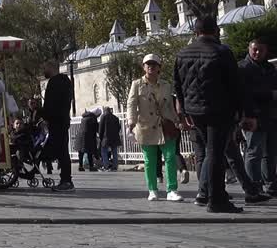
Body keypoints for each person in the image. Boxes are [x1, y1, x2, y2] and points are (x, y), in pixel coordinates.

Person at [174, 14, 249, 213]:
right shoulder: (222, 51)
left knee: (209, 151)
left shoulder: (182, 53)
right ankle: (216, 199)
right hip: (218, 109)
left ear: (196, 32)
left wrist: (183, 108)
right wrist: (241, 112)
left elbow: (178, 84)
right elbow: (235, 85)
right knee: (216, 153)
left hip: (194, 110)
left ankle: (212, 193)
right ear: (216, 31)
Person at [127, 53, 183, 202]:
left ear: (159, 67)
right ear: (144, 67)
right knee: (149, 160)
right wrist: (131, 121)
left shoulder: (166, 85)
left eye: (154, 64)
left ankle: (172, 189)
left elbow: (170, 105)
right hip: (146, 126)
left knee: (170, 156)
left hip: (166, 125)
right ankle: (152, 189)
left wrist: (177, 120)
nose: (151, 67)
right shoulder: (137, 84)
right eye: (148, 64)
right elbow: (131, 104)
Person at [238, 38, 276, 195]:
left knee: (270, 152)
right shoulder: (242, 68)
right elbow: (244, 93)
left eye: (261, 50)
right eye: (255, 49)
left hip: (270, 115)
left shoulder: (269, 67)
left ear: (266, 50)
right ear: (249, 49)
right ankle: (254, 185)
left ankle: (271, 182)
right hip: (252, 116)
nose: (257, 52)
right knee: (254, 151)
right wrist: (270, 94)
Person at [41, 60, 75, 192]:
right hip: (63, 120)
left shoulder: (54, 83)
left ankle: (66, 181)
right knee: (62, 151)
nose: (44, 70)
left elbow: (50, 104)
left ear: (51, 67)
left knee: (61, 152)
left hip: (56, 122)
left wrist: (44, 116)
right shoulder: (66, 81)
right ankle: (65, 179)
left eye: (45, 68)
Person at [99, 106, 123, 170]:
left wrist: (100, 137)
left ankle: (106, 165)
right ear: (110, 111)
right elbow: (119, 127)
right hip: (114, 137)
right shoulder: (115, 118)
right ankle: (115, 166)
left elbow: (101, 128)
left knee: (104, 151)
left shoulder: (103, 116)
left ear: (105, 111)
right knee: (114, 151)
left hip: (105, 137)